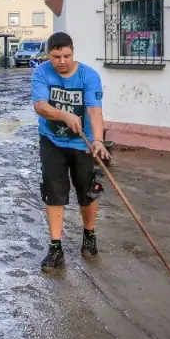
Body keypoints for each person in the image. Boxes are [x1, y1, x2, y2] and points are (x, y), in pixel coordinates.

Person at [30, 31, 111, 273]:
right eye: (56, 56)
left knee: (87, 192)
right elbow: (40, 106)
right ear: (49, 55)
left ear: (73, 52)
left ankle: (89, 235)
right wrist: (64, 115)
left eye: (66, 55)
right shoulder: (42, 73)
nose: (62, 61)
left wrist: (97, 139)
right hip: (52, 140)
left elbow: (94, 110)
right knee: (54, 192)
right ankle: (55, 248)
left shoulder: (89, 76)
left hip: (82, 143)